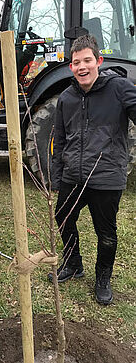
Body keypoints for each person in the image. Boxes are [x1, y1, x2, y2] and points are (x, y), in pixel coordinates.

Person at [49, 34, 136, 305]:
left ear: (98, 61)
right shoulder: (66, 97)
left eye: (87, 60)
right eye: (76, 62)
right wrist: (56, 175)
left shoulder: (119, 88)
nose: (82, 67)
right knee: (63, 218)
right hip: (72, 175)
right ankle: (73, 263)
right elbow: (60, 139)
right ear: (71, 67)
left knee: (106, 233)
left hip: (106, 177)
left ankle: (103, 278)